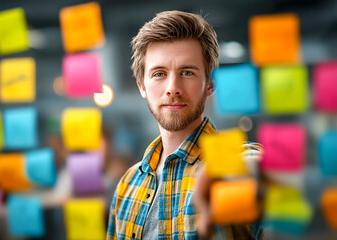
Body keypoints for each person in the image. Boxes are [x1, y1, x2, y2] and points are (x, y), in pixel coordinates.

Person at [107, 10, 263, 240]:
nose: (173, 87)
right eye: (159, 74)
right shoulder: (127, 185)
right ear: (142, 86)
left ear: (209, 85)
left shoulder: (233, 158)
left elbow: (258, 168)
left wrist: (239, 175)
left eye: (187, 72)